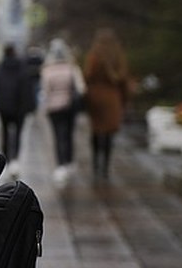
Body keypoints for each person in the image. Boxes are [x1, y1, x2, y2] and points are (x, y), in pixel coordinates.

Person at [83, 27, 130, 181]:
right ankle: (105, 166)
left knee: (96, 131)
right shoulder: (118, 56)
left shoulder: (94, 56)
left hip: (96, 97)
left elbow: (87, 76)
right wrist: (124, 99)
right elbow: (123, 80)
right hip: (112, 98)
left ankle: (96, 163)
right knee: (109, 133)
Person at [40, 38, 85, 186]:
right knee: (68, 134)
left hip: (54, 108)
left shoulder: (47, 70)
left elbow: (45, 91)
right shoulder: (72, 68)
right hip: (69, 107)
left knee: (58, 135)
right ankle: (69, 162)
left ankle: (60, 166)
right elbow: (81, 89)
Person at [0, 44, 33, 173]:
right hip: (20, 108)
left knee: (5, 133)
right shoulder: (22, 68)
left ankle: (7, 159)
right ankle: (15, 159)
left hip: (4, 106)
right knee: (18, 133)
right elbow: (27, 88)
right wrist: (29, 106)